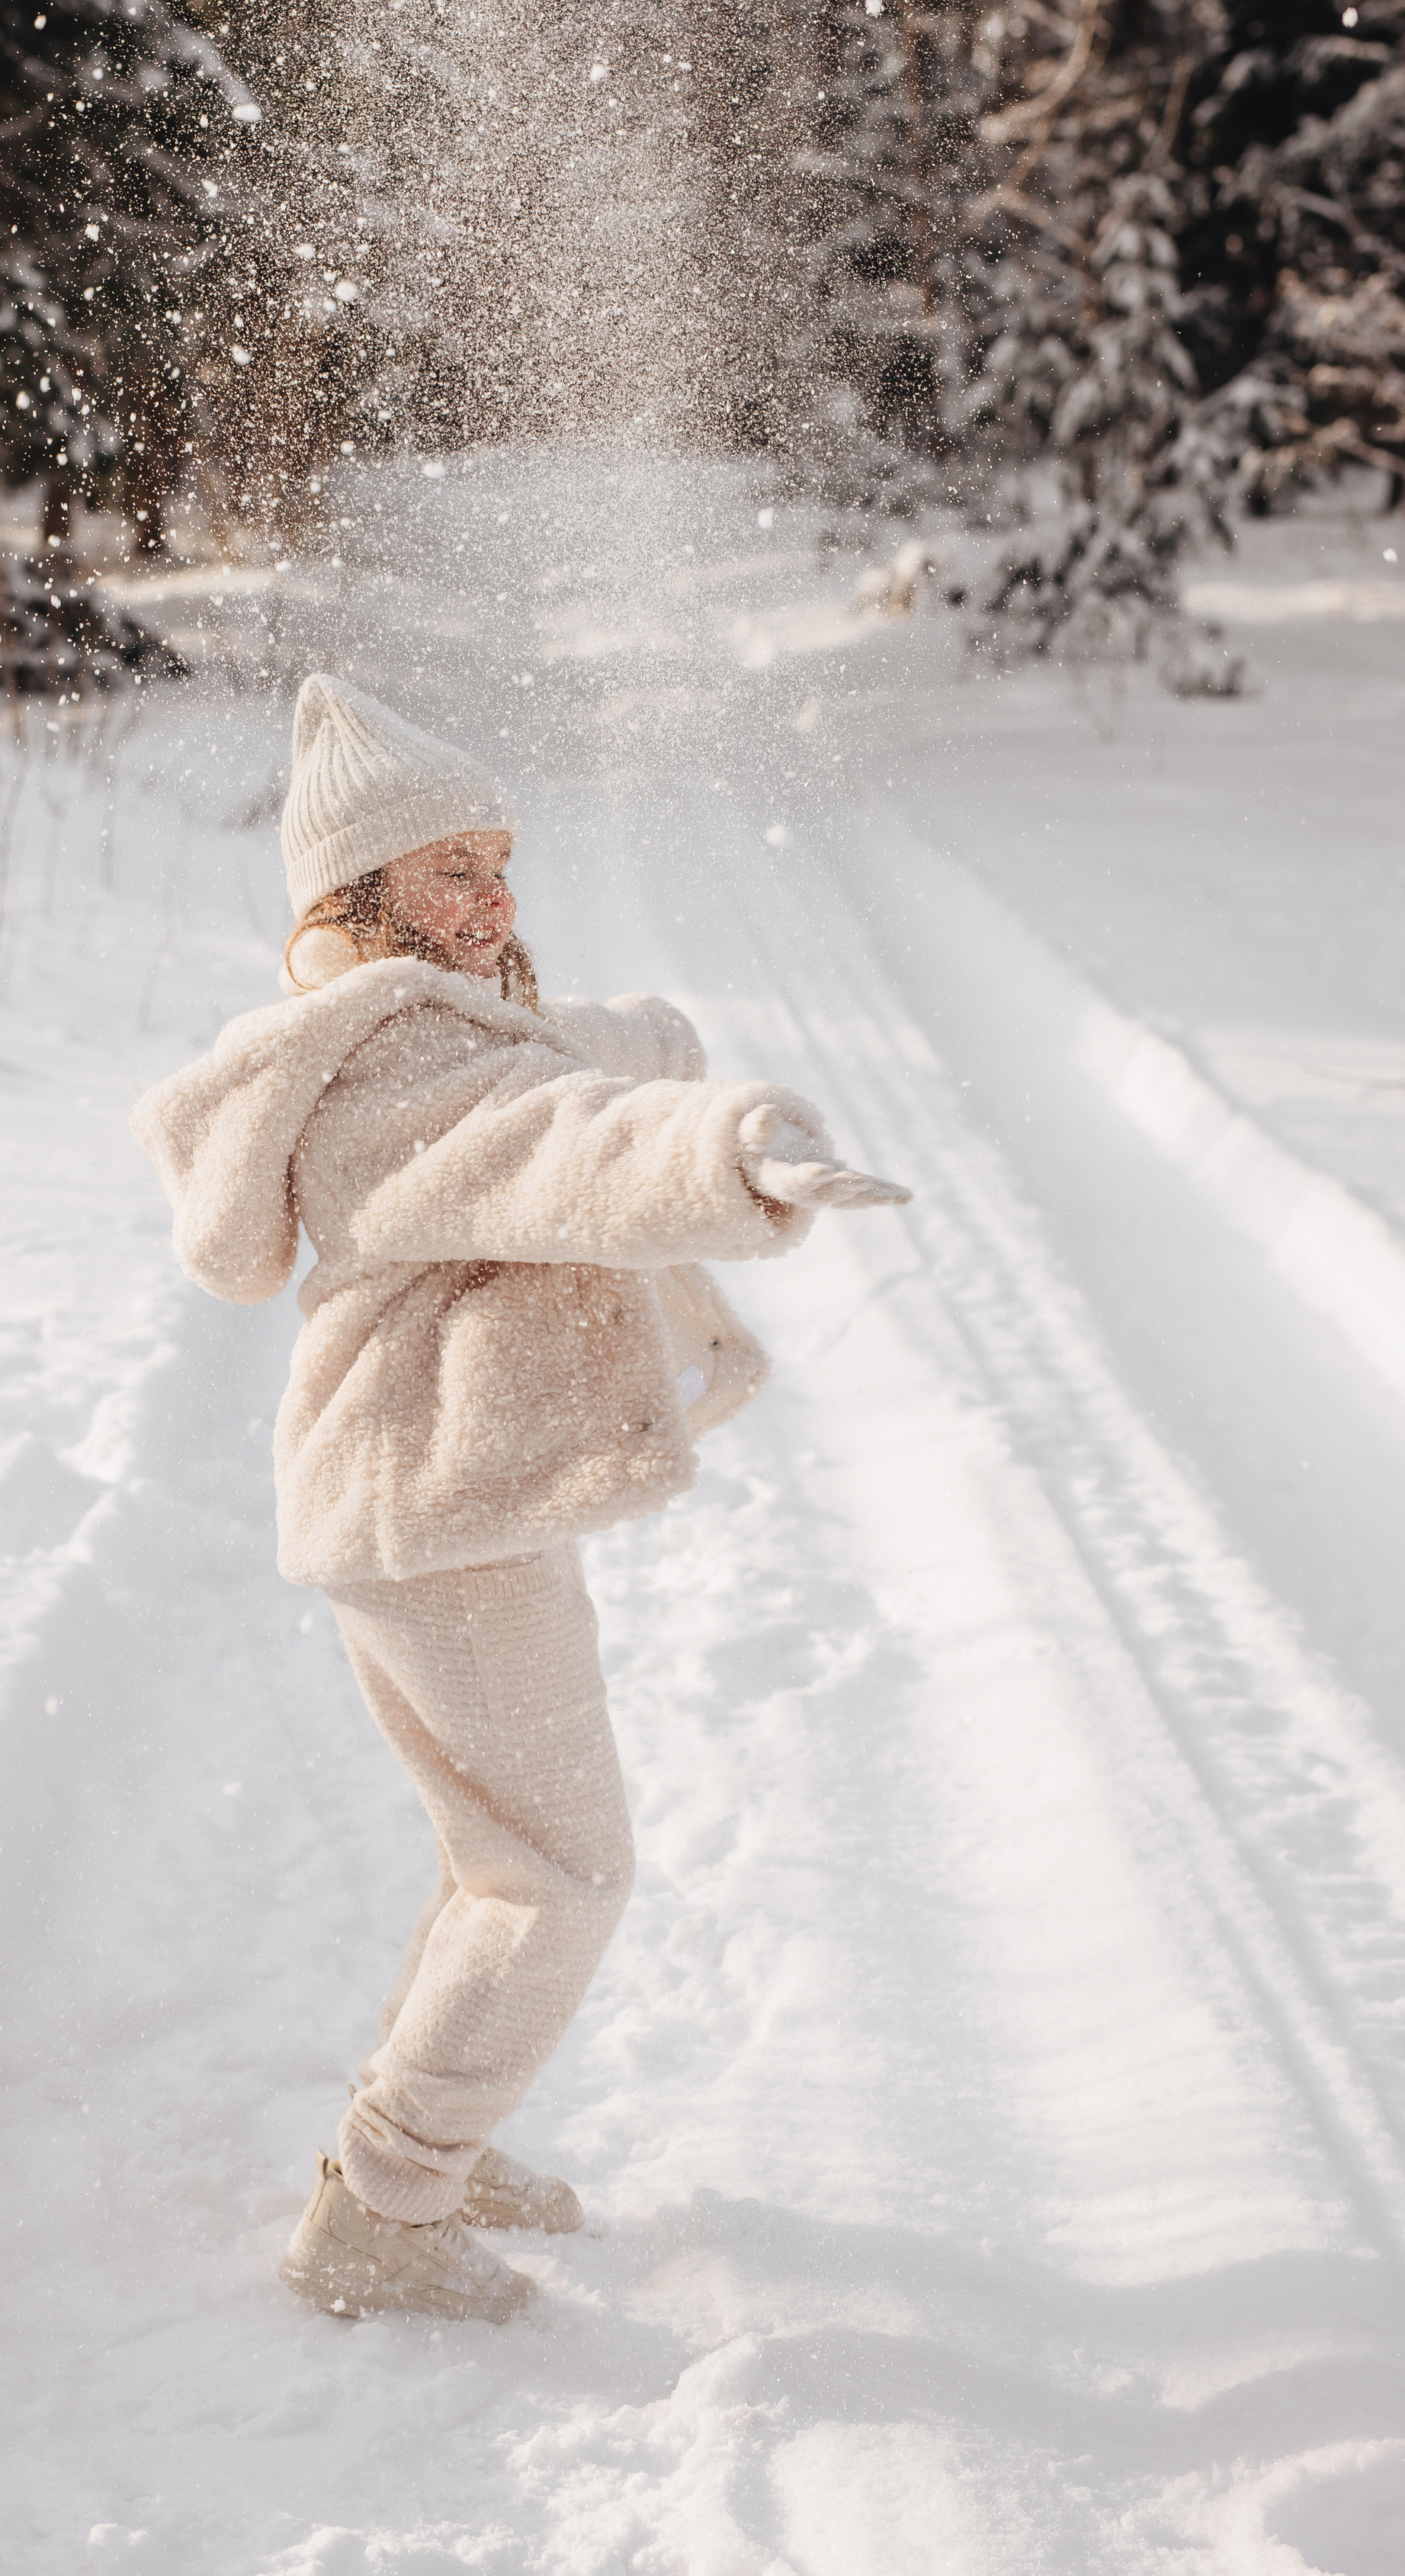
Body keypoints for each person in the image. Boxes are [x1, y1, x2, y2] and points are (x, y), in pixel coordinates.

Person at [132, 675, 909, 2323]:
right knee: (559, 1874)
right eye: (449, 873)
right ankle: (386, 2203)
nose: (492, 900)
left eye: (501, 861)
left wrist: (671, 1057)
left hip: (439, 1505)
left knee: (498, 1853)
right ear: (352, 902)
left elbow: (565, 1060)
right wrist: (723, 1148)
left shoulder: (419, 1025)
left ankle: (425, 2136)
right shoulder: (386, 1070)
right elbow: (550, 1136)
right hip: (432, 1515)